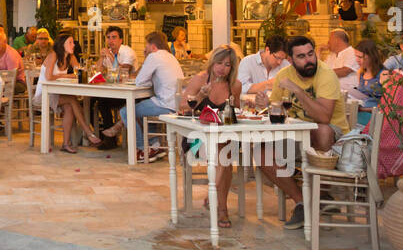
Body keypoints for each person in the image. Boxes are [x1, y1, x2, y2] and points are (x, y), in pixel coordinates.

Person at [262, 36, 350, 230]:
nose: (308, 60)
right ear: (291, 61)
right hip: (295, 133)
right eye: (301, 56)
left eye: (310, 54)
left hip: (330, 134)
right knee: (261, 153)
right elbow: (276, 107)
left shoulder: (326, 74)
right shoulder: (283, 75)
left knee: (322, 131)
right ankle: (304, 202)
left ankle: (321, 193)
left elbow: (324, 117)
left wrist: (298, 91)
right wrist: (264, 105)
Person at [181, 46, 243, 226]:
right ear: (212, 63)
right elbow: (183, 107)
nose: (221, 68)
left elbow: (237, 113)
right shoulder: (200, 80)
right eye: (218, 63)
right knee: (225, 152)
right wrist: (201, 94)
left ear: (232, 68)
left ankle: (215, 198)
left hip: (224, 139)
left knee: (225, 147)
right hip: (197, 138)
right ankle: (221, 208)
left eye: (227, 64)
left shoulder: (235, 86)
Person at [100, 31, 182, 161]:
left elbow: (139, 81)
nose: (145, 48)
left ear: (153, 46)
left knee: (126, 111)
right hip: (175, 104)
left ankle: (142, 149)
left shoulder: (154, 56)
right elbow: (148, 80)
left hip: (165, 104)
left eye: (146, 45)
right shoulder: (170, 56)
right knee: (147, 105)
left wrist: (146, 60)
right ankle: (156, 146)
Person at [32, 32, 101, 155]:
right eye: (70, 42)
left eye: (73, 42)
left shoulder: (71, 57)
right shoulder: (53, 55)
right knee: (72, 100)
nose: (73, 45)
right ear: (61, 45)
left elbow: (79, 73)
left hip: (57, 93)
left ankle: (66, 144)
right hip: (44, 94)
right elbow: (48, 77)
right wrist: (65, 75)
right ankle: (88, 131)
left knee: (70, 106)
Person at [236, 35, 288, 99]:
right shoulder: (247, 62)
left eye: (282, 59)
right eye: (277, 57)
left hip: (276, 107)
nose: (279, 62)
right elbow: (240, 88)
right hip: (252, 107)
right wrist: (267, 85)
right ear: (267, 49)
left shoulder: (285, 65)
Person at [350, 38, 385, 120]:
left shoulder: (383, 74)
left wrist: (362, 109)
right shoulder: (361, 73)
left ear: (371, 56)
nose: (357, 60)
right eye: (356, 56)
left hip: (374, 116)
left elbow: (386, 106)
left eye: (360, 57)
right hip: (360, 112)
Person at [322, 28, 360, 93]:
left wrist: (322, 73)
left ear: (337, 40)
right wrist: (319, 50)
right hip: (332, 92)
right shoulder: (331, 55)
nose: (328, 42)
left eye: (330, 39)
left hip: (350, 94)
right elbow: (319, 68)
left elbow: (344, 71)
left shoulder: (352, 52)